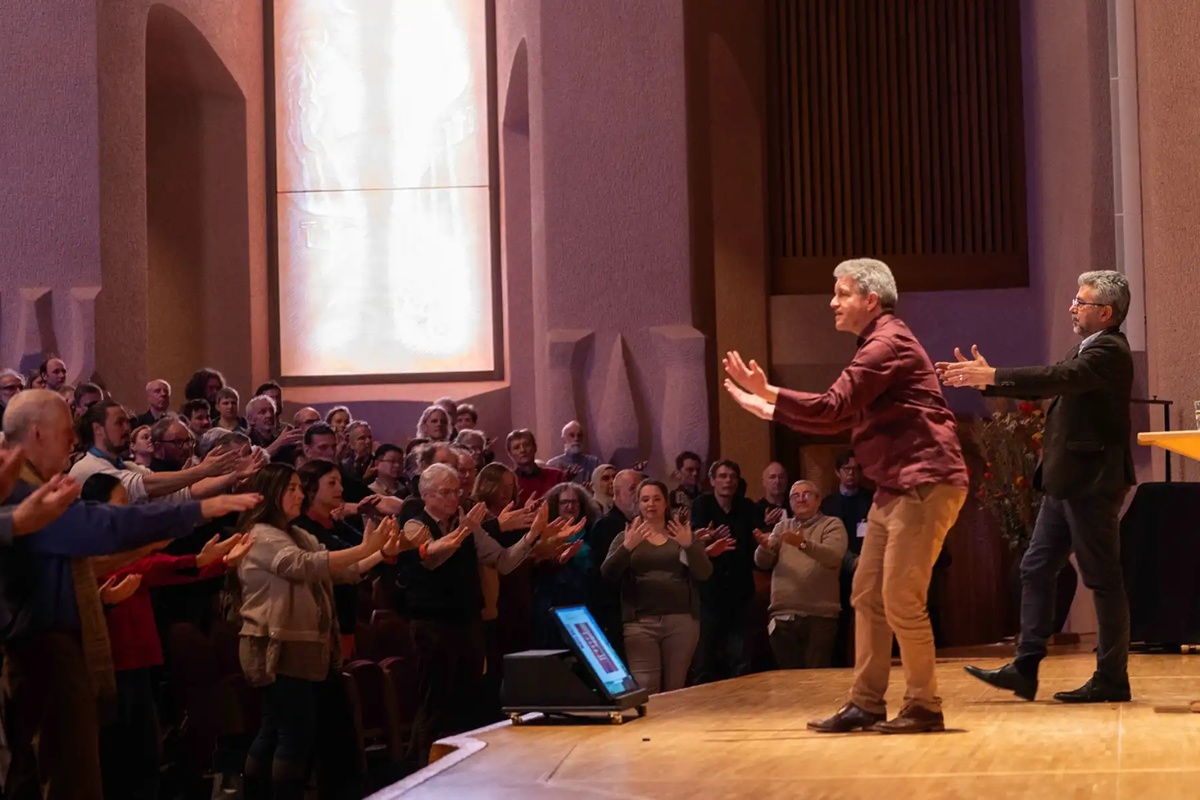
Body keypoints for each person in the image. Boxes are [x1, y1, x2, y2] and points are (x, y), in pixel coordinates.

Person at [723, 258, 968, 734]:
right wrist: (768, 406)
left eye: (842, 293)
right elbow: (838, 417)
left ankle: (924, 705)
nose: (832, 302)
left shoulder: (886, 344)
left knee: (899, 596)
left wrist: (769, 394)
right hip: (895, 487)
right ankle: (866, 702)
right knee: (867, 594)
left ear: (871, 300)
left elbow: (834, 406)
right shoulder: (875, 345)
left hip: (925, 481)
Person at [0, 389, 259, 800]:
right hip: (43, 649)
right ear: (36, 433)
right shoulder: (20, 493)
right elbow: (100, 526)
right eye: (68, 432)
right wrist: (193, 510)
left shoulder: (30, 487)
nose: (74, 442)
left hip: (49, 645)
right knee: (68, 778)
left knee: (41, 773)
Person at [940, 270, 1135, 704]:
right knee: (1035, 567)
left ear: (1105, 312)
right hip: (1064, 482)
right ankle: (1025, 668)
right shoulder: (1089, 346)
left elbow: (1056, 378)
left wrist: (991, 376)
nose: (1072, 307)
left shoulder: (1109, 351)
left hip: (1091, 483)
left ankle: (1111, 677)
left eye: (1080, 302)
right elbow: (1059, 380)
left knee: (1102, 579)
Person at [234, 463, 404, 800]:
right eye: (291, 489)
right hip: (275, 643)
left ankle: (257, 793)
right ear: (271, 494)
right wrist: (365, 548)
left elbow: (341, 571)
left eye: (300, 487)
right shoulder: (261, 533)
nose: (300, 495)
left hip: (300, 643)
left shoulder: (297, 533)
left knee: (277, 729)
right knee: (292, 733)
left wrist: (380, 554)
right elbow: (302, 566)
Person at [601, 479, 711, 694]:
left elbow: (704, 573)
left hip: (681, 621)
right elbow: (607, 573)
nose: (651, 504)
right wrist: (627, 547)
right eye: (645, 499)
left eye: (657, 499)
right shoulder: (626, 536)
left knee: (675, 688)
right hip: (640, 624)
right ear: (638, 504)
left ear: (665, 503)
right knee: (646, 688)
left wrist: (689, 545)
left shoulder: (682, 534)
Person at [754, 481, 847, 669]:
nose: (801, 499)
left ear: (818, 500)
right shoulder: (782, 527)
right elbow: (761, 562)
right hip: (782, 615)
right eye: (795, 496)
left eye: (807, 494)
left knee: (814, 682)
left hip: (819, 616)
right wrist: (764, 548)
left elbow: (834, 556)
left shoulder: (832, 524)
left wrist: (802, 543)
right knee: (787, 683)